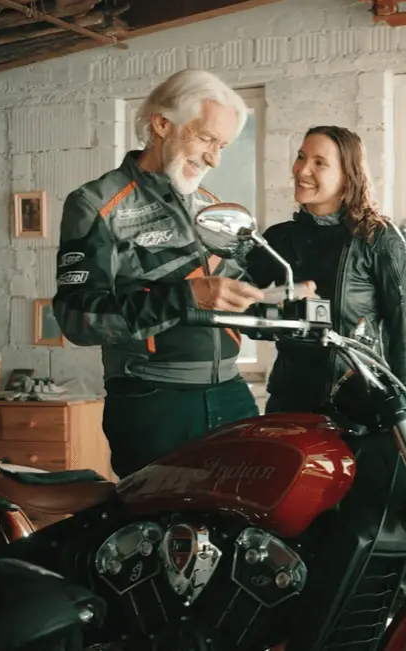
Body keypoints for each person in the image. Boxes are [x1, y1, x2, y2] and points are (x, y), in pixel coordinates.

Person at [53, 69, 266, 478]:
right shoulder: (96, 204)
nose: (214, 158)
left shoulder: (209, 204)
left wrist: (275, 298)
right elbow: (78, 319)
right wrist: (188, 298)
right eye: (206, 139)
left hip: (231, 393)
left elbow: (238, 292)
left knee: (244, 531)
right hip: (154, 401)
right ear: (162, 124)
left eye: (222, 146)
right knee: (163, 535)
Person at [245, 125, 406, 414]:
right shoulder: (278, 239)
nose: (302, 170)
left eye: (319, 163)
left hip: (360, 411)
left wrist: (405, 411)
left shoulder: (378, 238)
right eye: (301, 157)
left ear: (346, 176)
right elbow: (244, 308)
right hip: (288, 407)